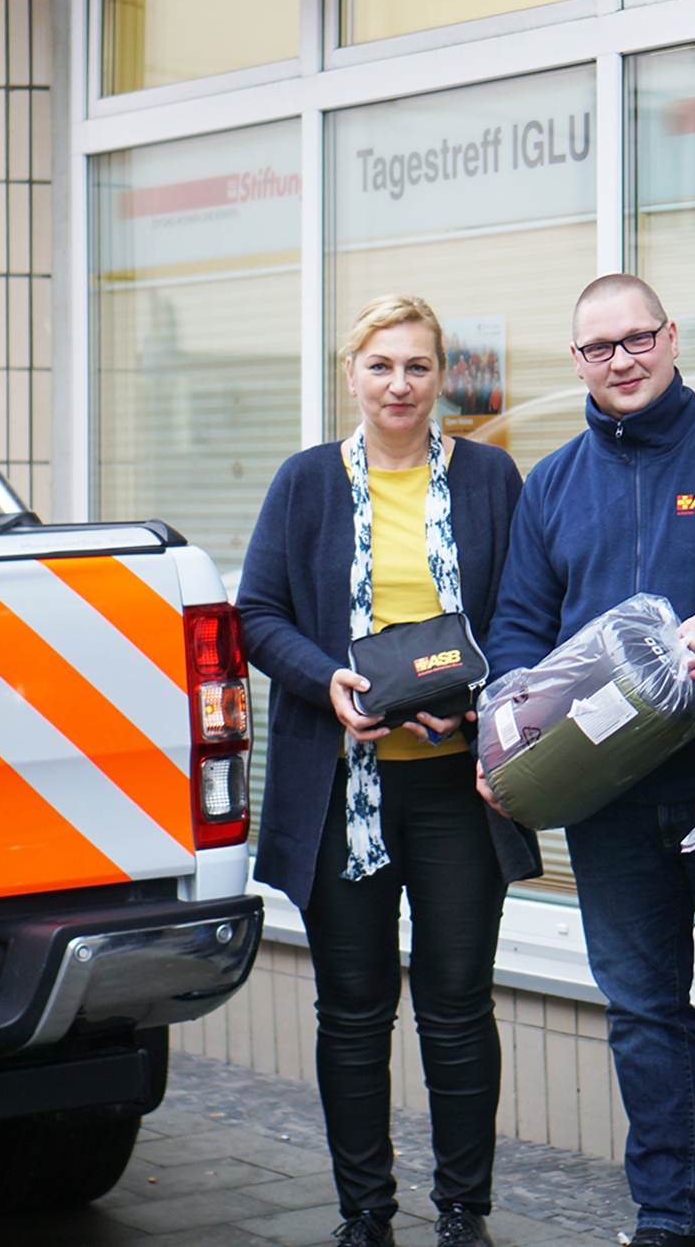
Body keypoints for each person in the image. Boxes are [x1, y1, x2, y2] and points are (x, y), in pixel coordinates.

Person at [480, 274, 695, 1247]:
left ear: (670, 337)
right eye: (598, 347)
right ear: (576, 358)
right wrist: (505, 735)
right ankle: (668, 1214)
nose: (620, 360)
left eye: (636, 339)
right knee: (642, 1013)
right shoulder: (549, 484)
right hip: (606, 804)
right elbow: (514, 634)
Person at [237, 295, 542, 1247]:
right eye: (381, 366)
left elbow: (531, 608)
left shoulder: (491, 477)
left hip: (458, 787)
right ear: (350, 373)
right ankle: (364, 1215)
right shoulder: (305, 484)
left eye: (418, 366)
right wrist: (324, 678)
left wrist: (482, 695)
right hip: (343, 792)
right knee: (356, 1011)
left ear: (442, 374)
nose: (400, 384)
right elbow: (258, 614)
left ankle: (463, 1215)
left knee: (457, 1006)